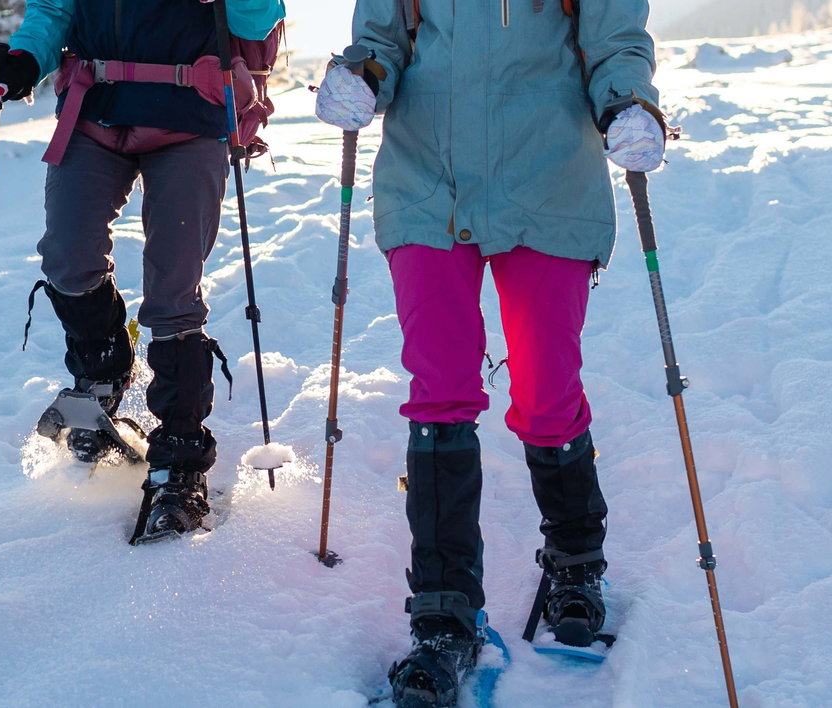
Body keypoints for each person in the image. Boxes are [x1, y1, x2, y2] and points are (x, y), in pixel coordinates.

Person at [315, 0, 666, 704]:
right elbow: (382, 37)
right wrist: (361, 73)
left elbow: (616, 41)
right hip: (426, 177)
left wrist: (630, 106)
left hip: (549, 173)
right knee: (439, 384)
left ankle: (575, 557)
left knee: (545, 387)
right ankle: (442, 613)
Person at [0, 0, 284, 544]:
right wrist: (22, 60)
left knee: (173, 291)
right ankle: (104, 371)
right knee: (67, 256)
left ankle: (180, 457)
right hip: (94, 110)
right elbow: (52, 13)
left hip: (191, 115)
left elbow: (257, 21)